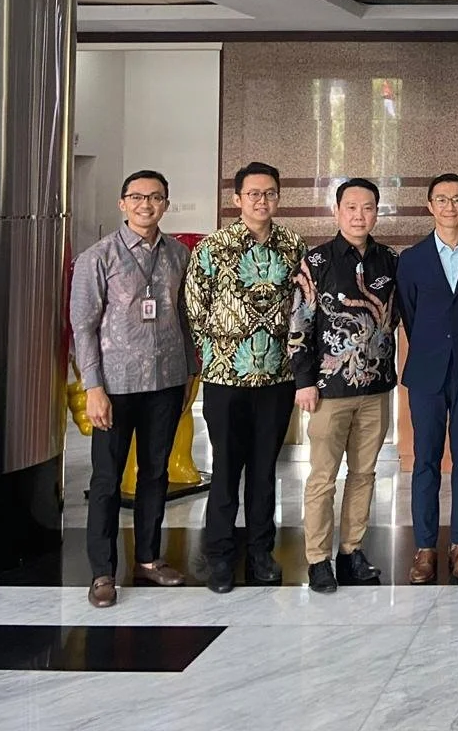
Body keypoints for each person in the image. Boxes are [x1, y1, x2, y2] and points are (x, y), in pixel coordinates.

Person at [71, 170, 197, 608]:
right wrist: (93, 387)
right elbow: (82, 328)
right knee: (107, 479)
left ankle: (148, 557)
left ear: (166, 204)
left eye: (156, 197)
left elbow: (184, 319)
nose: (147, 204)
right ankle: (102, 572)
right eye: (137, 197)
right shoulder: (97, 258)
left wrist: (188, 374)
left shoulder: (178, 255)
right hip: (115, 386)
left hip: (165, 382)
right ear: (122, 203)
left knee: (155, 474)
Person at [183, 161, 307, 593]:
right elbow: (194, 308)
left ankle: (260, 550)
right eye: (253, 193)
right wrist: (222, 346)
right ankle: (219, 554)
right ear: (237, 199)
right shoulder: (213, 248)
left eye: (269, 193)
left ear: (278, 197)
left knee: (264, 470)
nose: (261, 200)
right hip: (225, 379)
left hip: (277, 380)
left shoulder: (293, 246)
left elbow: (303, 307)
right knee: (225, 469)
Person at [289, 178, 399, 594]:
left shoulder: (389, 260)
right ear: (336, 212)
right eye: (350, 207)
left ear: (376, 212)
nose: (359, 215)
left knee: (365, 473)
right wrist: (304, 383)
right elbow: (299, 324)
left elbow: (400, 317)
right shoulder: (315, 262)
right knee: (322, 477)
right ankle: (318, 559)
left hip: (375, 390)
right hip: (327, 390)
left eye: (367, 207)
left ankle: (351, 551)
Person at [397, 173, 458, 585]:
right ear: (429, 206)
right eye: (442, 200)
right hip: (427, 373)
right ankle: (426, 548)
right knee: (425, 463)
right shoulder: (410, 260)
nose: (450, 207)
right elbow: (410, 318)